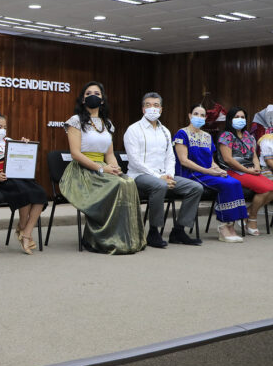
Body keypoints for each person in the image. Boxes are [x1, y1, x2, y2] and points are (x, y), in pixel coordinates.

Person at [60, 81, 145, 254]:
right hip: (82, 170)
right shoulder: (75, 121)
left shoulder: (107, 124)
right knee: (117, 185)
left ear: (102, 100)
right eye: (88, 93)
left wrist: (115, 167)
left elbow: (109, 154)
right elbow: (75, 154)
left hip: (103, 166)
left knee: (128, 182)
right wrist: (101, 169)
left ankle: (126, 239)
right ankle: (101, 239)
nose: (93, 96)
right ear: (83, 100)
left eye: (97, 93)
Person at [123, 92, 203, 248]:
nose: (152, 108)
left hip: (163, 176)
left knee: (195, 188)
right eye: (148, 105)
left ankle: (178, 230)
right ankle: (154, 232)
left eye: (156, 105)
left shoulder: (165, 131)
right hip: (139, 176)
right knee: (159, 185)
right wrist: (159, 178)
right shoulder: (133, 130)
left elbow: (170, 157)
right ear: (142, 109)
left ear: (161, 109)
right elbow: (135, 160)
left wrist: (169, 176)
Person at [0, 111, 48, 255]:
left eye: (5, 127)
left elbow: (20, 156)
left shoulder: (9, 141)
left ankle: (25, 232)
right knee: (24, 192)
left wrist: (24, 144)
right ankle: (24, 231)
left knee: (40, 193)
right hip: (1, 179)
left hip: (19, 176)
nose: (3, 130)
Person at [174, 104, 248, 243]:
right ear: (190, 116)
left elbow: (211, 161)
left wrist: (218, 169)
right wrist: (207, 171)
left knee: (235, 182)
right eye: (196, 114)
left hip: (207, 173)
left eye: (202, 115)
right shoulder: (182, 133)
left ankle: (231, 226)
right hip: (191, 173)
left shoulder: (207, 136)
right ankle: (223, 227)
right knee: (226, 185)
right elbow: (183, 161)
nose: (199, 117)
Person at [217, 107, 273, 235]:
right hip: (233, 171)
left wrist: (257, 167)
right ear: (230, 119)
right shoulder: (226, 135)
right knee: (265, 189)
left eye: (242, 117)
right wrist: (247, 170)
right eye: (236, 117)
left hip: (249, 170)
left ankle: (247, 213)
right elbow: (228, 159)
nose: (240, 120)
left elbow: (254, 155)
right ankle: (252, 219)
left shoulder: (249, 136)